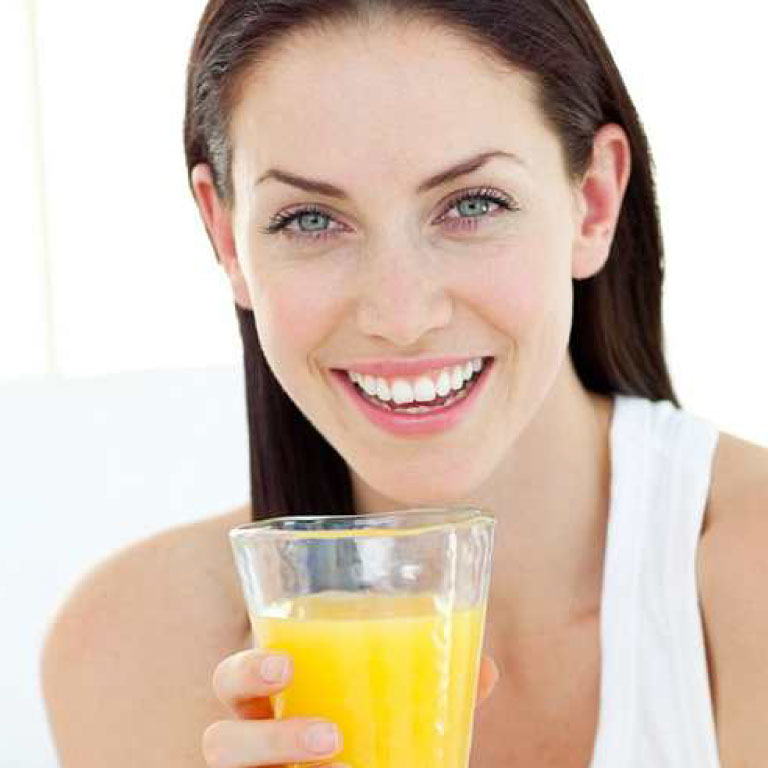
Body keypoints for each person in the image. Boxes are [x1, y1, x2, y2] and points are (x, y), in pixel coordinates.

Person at [40, 1, 768, 766]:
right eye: (310, 220)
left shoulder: (745, 571)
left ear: (592, 202)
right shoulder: (128, 651)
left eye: (473, 204)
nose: (400, 315)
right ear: (226, 235)